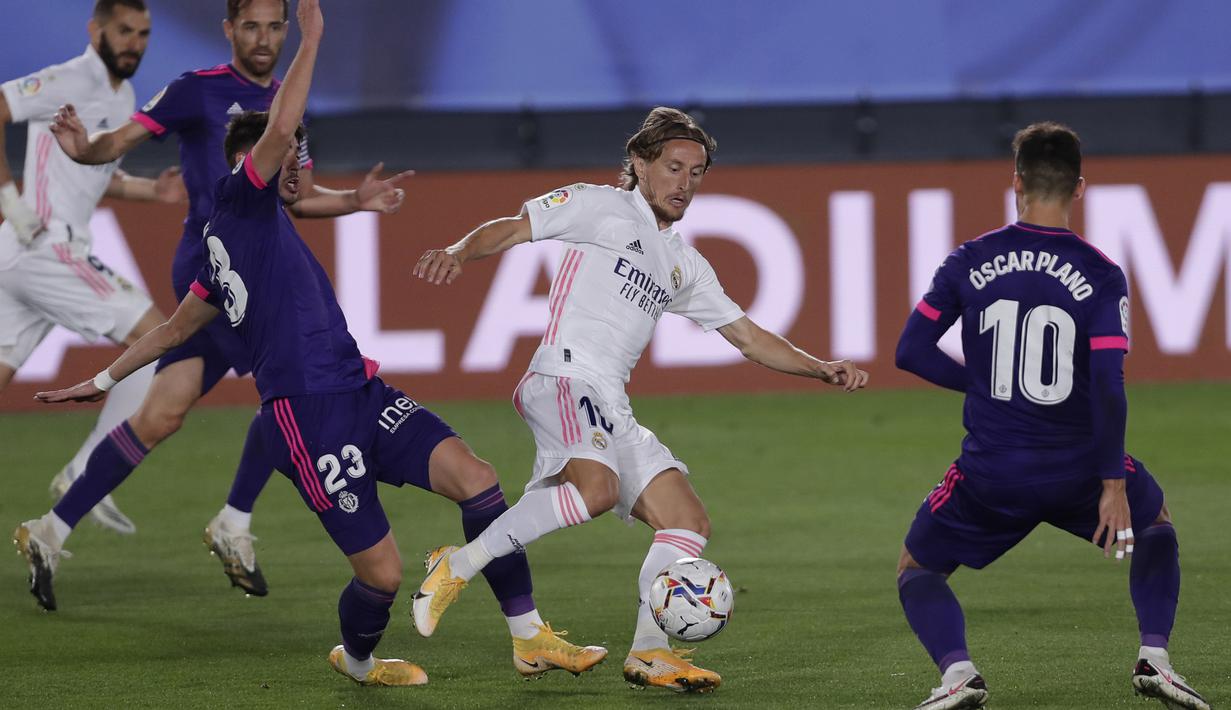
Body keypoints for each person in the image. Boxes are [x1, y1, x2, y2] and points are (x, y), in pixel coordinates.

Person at [28, 0, 606, 686]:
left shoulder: (250, 230)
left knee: (477, 479)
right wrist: (315, 34)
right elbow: (275, 133)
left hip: (360, 392)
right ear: (247, 170)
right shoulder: (240, 200)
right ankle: (357, 661)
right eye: (279, 154)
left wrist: (96, 383)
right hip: (308, 416)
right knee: (384, 574)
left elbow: (172, 328)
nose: (289, 159)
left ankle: (527, 636)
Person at [409, 106, 870, 693]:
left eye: (697, 172)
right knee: (595, 492)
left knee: (686, 519)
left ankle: (650, 652)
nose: (686, 183)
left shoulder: (682, 262)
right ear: (640, 165)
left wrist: (820, 368)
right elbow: (513, 226)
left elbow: (748, 337)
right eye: (674, 168)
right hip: (565, 375)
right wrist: (457, 250)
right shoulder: (601, 206)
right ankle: (458, 564)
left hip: (610, 401)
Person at [26, 0, 410, 601]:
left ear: (285, 31)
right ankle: (234, 521)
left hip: (256, 267)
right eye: (250, 25)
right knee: (288, 382)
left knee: (161, 415)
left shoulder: (288, 97)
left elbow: (298, 196)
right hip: (217, 271)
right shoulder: (197, 91)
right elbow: (116, 143)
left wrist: (355, 200)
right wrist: (82, 147)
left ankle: (49, 529)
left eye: (273, 26)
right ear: (229, 30)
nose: (262, 38)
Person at [893, 122, 1209, 710]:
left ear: (1015, 182)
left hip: (992, 475)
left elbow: (909, 351)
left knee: (918, 568)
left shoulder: (970, 259)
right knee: (1156, 522)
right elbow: (1110, 386)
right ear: (1079, 187)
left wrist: (986, 386)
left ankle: (960, 675)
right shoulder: (1100, 274)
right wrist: (1112, 483)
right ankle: (1156, 657)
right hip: (1080, 470)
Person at [0, 0, 187, 535]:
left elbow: (97, 175)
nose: (134, 42)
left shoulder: (120, 95)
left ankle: (85, 472)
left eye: (143, 33)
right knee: (161, 337)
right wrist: (8, 195)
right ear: (96, 30)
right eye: (124, 31)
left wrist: (154, 190)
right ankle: (85, 472)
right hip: (44, 246)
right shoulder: (70, 78)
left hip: (20, 255)